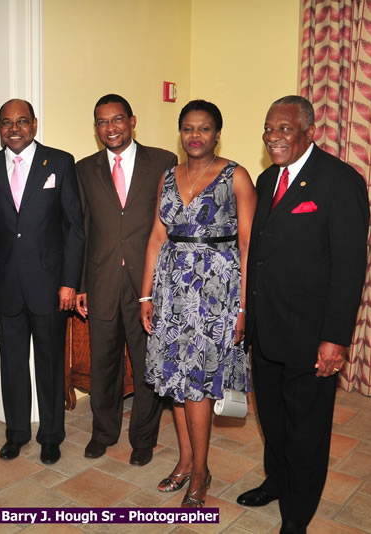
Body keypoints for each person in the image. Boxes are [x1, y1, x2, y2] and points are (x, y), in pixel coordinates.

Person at [238, 96, 369, 533]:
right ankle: (276, 481)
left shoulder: (339, 181)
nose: (273, 137)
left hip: (310, 336)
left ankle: (297, 516)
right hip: (266, 330)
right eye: (268, 128)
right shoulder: (265, 178)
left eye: (284, 129)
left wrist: (335, 338)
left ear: (310, 132)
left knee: (307, 432)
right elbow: (258, 254)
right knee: (272, 421)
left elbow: (350, 268)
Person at [140, 100, 256, 507]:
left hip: (215, 292)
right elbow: (157, 237)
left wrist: (243, 307)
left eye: (204, 129)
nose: (195, 136)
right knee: (175, 381)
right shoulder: (168, 177)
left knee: (199, 386)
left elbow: (247, 245)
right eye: (188, 128)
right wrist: (146, 294)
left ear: (217, 133)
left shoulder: (235, 176)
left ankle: (201, 471)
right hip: (172, 290)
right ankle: (186, 461)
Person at [0, 98, 84, 465]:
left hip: (51, 287)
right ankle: (16, 432)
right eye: (7, 122)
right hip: (5, 287)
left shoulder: (61, 162)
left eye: (22, 121)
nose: (14, 128)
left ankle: (51, 435)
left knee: (51, 365)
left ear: (34, 124)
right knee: (13, 364)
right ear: (0, 128)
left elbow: (74, 229)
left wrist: (71, 281)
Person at [75, 94, 177, 466]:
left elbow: (169, 225)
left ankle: (143, 439)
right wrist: (82, 283)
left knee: (147, 363)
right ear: (96, 127)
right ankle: (103, 433)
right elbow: (82, 230)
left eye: (117, 119)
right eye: (102, 122)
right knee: (103, 363)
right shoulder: (84, 169)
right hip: (101, 281)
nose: (110, 128)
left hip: (147, 285)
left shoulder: (163, 161)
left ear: (132, 121)